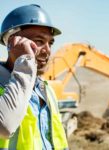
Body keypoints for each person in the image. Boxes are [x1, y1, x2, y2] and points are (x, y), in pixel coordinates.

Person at [0, 4, 68, 150]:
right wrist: (24, 61)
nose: (47, 51)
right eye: (38, 41)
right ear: (12, 42)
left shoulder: (46, 90)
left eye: (50, 43)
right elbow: (5, 126)